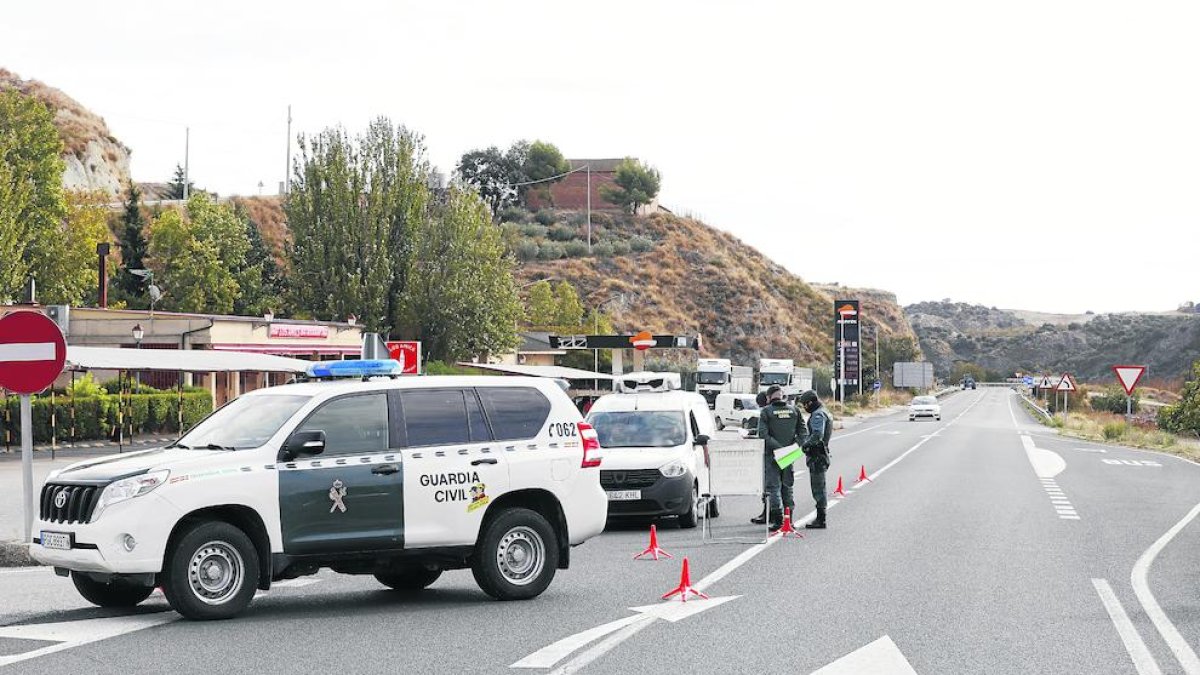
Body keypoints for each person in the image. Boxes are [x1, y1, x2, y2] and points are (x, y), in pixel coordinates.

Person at [753, 384, 801, 531]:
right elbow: (803, 433)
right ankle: (789, 520)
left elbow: (763, 435)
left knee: (773, 487)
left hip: (772, 454)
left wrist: (779, 448)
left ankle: (778, 520)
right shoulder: (795, 410)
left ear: (768, 397)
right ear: (782, 395)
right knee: (787, 486)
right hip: (790, 453)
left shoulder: (766, 412)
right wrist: (792, 448)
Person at [798, 389, 833, 529]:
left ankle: (821, 519)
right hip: (819, 454)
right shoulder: (823, 411)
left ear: (811, 402)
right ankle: (820, 517)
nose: (805, 408)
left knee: (818, 488)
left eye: (805, 404)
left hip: (817, 455)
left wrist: (805, 444)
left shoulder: (818, 415)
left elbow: (817, 434)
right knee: (819, 486)